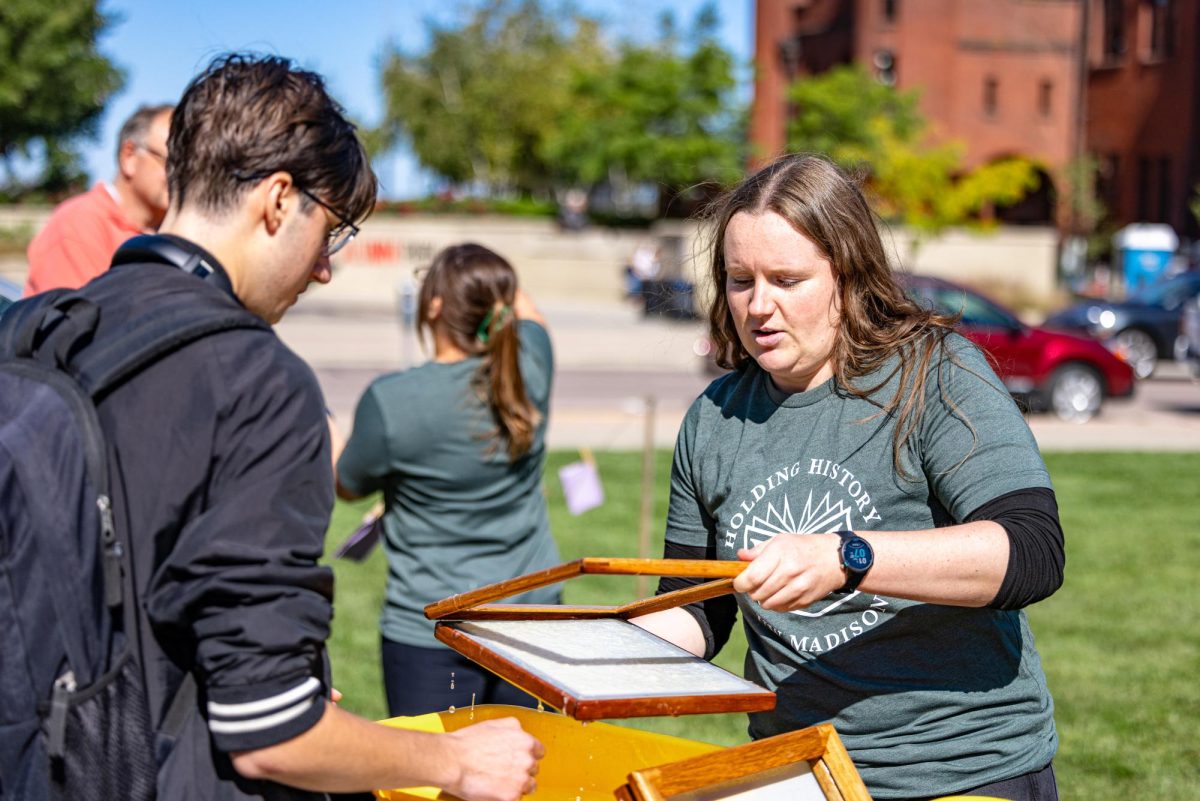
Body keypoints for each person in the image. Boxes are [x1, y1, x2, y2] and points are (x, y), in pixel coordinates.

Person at [5, 54, 542, 801]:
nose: (324, 267)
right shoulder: (258, 380)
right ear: (280, 200)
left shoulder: (40, 328)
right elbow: (269, 727)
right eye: (333, 231)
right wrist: (458, 761)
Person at [633, 154, 1063, 801]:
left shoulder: (935, 371)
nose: (759, 306)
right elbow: (698, 605)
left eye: (787, 278)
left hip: (964, 768)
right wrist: (598, 653)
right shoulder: (713, 418)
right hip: (797, 772)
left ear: (849, 272)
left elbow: (1032, 550)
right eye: (740, 279)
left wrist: (846, 556)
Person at [336, 242, 561, 716]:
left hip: (433, 626)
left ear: (435, 304)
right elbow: (528, 311)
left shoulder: (393, 400)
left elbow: (347, 484)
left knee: (433, 785)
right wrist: (494, 284)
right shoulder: (530, 367)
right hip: (533, 618)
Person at [24, 103, 173, 296]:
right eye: (172, 162)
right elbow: (75, 320)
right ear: (129, 156)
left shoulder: (171, 231)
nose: (183, 175)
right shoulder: (78, 224)